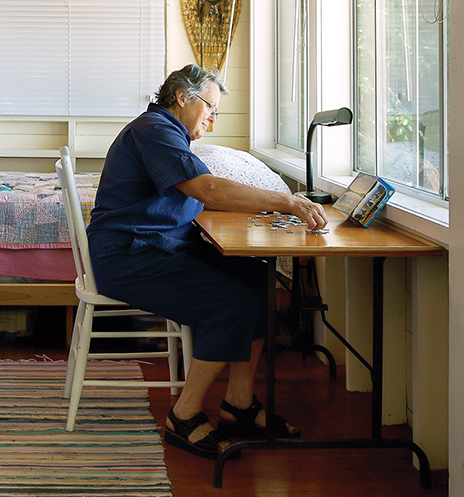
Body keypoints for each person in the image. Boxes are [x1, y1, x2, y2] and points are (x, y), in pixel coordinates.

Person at [86, 64, 328, 459]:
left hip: (159, 245)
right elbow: (207, 188)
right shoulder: (155, 129)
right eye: (210, 108)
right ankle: (183, 417)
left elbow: (202, 190)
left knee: (257, 279)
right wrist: (288, 201)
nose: (212, 119)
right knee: (233, 304)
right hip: (128, 256)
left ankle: (239, 405)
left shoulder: (167, 132)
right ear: (182, 97)